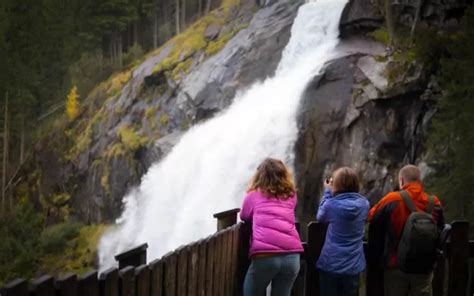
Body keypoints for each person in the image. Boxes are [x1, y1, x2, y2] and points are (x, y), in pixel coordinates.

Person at [368, 164, 444, 296]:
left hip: (395, 265)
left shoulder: (392, 199)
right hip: (424, 266)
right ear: (419, 181)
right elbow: (440, 229)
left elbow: (372, 216)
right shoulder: (434, 202)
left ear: (401, 181)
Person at [240, 158, 304, 296]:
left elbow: (244, 216)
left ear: (259, 176)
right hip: (292, 256)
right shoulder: (291, 195)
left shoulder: (253, 195)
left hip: (266, 256)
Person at [316, 167, 369, 296]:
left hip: (331, 264)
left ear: (336, 184)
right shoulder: (364, 204)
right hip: (353, 265)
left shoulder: (331, 205)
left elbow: (320, 217)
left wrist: (328, 192)